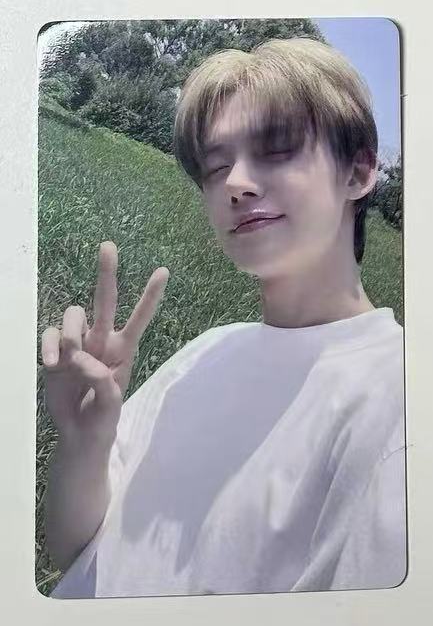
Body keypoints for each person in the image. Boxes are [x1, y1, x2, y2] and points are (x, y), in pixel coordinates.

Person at [42, 36, 406, 598]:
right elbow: (70, 551)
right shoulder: (205, 351)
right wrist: (83, 442)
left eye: (277, 149)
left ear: (358, 172)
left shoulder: (398, 400)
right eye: (216, 166)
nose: (236, 181)